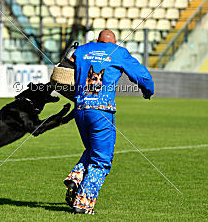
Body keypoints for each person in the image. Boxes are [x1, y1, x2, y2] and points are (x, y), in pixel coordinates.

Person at [63, 29, 154, 214]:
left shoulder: (82, 49)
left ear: (97, 40)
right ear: (113, 43)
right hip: (102, 112)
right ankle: (83, 204)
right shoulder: (118, 52)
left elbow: (65, 70)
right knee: (101, 160)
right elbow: (142, 76)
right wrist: (148, 90)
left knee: (92, 150)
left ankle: (76, 176)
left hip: (80, 110)